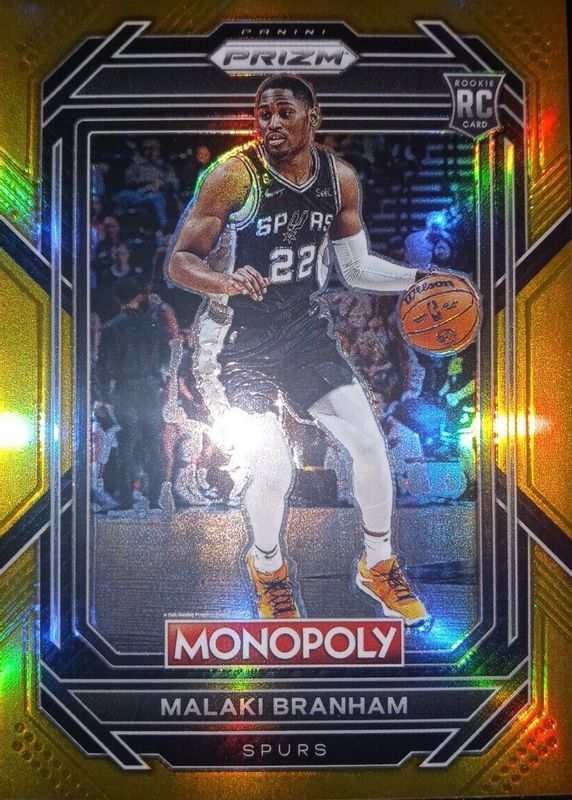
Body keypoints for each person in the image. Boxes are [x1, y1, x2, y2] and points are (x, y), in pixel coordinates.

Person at [167, 73, 431, 626]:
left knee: (369, 446)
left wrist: (418, 280)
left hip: (304, 334)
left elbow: (355, 268)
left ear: (314, 117)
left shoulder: (339, 179)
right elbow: (180, 262)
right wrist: (225, 281)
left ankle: (378, 565)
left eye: (285, 112)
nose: (272, 123)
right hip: (236, 341)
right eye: (263, 114)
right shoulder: (233, 175)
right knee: (273, 467)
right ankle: (269, 569)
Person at [96, 276, 170, 510]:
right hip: (150, 387)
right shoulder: (154, 325)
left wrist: (105, 396)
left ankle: (126, 497)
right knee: (154, 440)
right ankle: (155, 496)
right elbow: (164, 357)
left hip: (126, 388)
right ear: (139, 295)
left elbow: (104, 365)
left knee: (126, 442)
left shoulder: (112, 327)